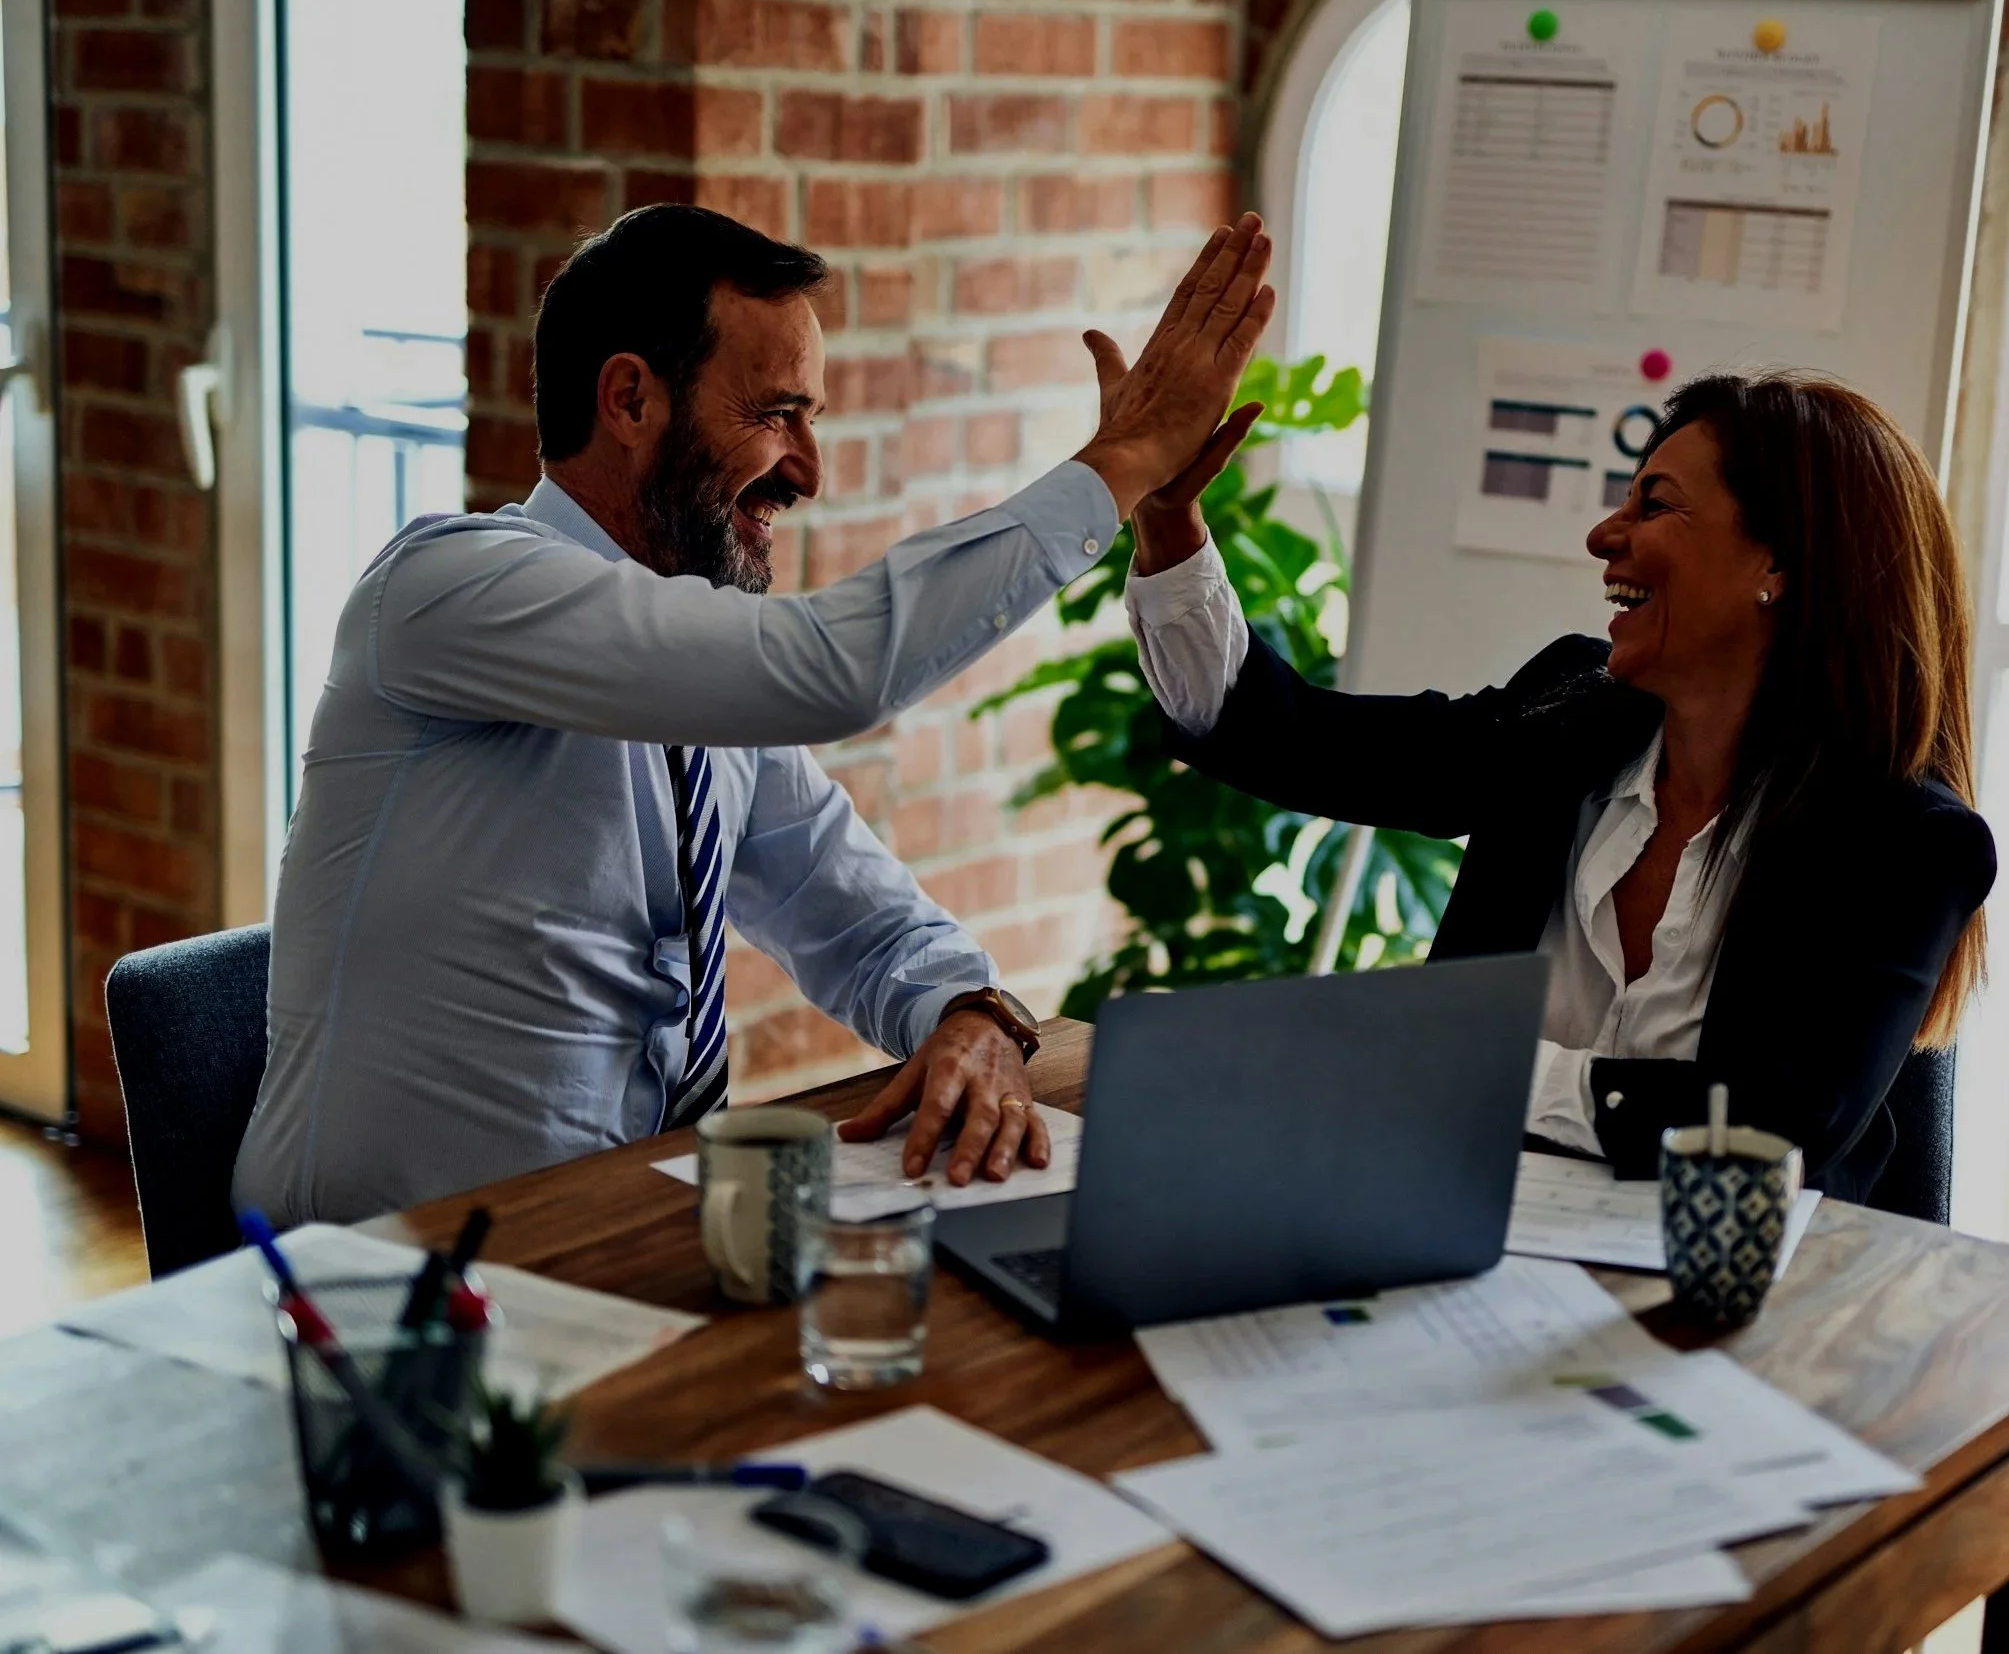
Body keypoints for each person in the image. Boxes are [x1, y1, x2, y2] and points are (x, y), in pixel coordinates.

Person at [233, 204, 1275, 1226]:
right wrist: (1124, 460)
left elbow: (859, 916)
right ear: (630, 400)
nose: (808, 472)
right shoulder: (448, 588)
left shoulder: (700, 686)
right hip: (380, 1288)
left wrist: (970, 1012)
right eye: (777, 413)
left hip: (620, 1243)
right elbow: (836, 669)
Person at [1122, 371, 1994, 1203]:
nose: (1604, 536)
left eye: (1653, 504)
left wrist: (1471, 1064)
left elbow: (1767, 1129)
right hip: (1463, 1246)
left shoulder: (1906, 843)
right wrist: (1168, 518)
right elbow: (1294, 738)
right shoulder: (1574, 712)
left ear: (1779, 564)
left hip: (1735, 1318)